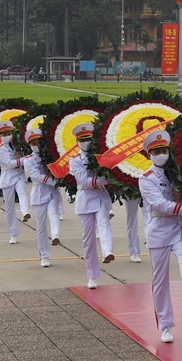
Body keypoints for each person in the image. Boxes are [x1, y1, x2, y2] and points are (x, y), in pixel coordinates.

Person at [138, 130, 182, 343]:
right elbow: (159, 204)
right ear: (149, 154)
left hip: (177, 228)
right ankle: (166, 325)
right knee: (160, 280)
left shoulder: (177, 174)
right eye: (157, 151)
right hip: (158, 230)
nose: (162, 154)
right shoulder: (146, 178)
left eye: (164, 150)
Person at [69, 122, 115, 289]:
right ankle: (92, 275)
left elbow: (111, 173)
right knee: (88, 240)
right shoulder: (74, 160)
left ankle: (108, 251)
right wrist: (102, 180)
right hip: (85, 199)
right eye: (82, 139)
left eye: (88, 138)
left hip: (100, 196)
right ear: (77, 142)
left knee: (104, 222)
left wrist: (106, 177)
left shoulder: (101, 156)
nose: (86, 142)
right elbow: (84, 181)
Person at [23, 129, 61, 267]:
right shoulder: (28, 160)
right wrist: (55, 181)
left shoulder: (50, 155)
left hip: (52, 191)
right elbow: (36, 176)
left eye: (38, 141)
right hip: (40, 191)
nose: (36, 144)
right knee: (41, 226)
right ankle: (44, 255)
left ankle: (56, 235)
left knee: (53, 213)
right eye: (33, 142)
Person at [0, 120, 31, 244]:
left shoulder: (17, 144)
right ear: (0, 135)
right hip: (7, 177)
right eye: (4, 134)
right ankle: (13, 233)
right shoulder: (0, 149)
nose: (7, 136)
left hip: (19, 174)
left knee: (22, 192)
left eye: (9, 133)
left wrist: (24, 156)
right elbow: (9, 163)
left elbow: (25, 153)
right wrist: (24, 160)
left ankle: (25, 211)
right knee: (9, 207)